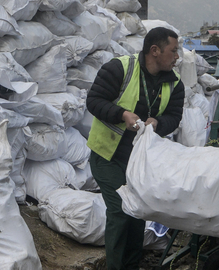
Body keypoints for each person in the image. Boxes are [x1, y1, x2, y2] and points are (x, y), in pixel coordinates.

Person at [86, 27, 185, 270]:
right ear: (155, 50)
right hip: (107, 156)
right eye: (173, 51)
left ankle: (131, 265)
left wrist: (158, 123)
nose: (177, 57)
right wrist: (123, 114)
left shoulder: (175, 84)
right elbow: (94, 101)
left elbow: (174, 117)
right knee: (120, 210)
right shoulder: (119, 68)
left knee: (137, 213)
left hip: (139, 161)